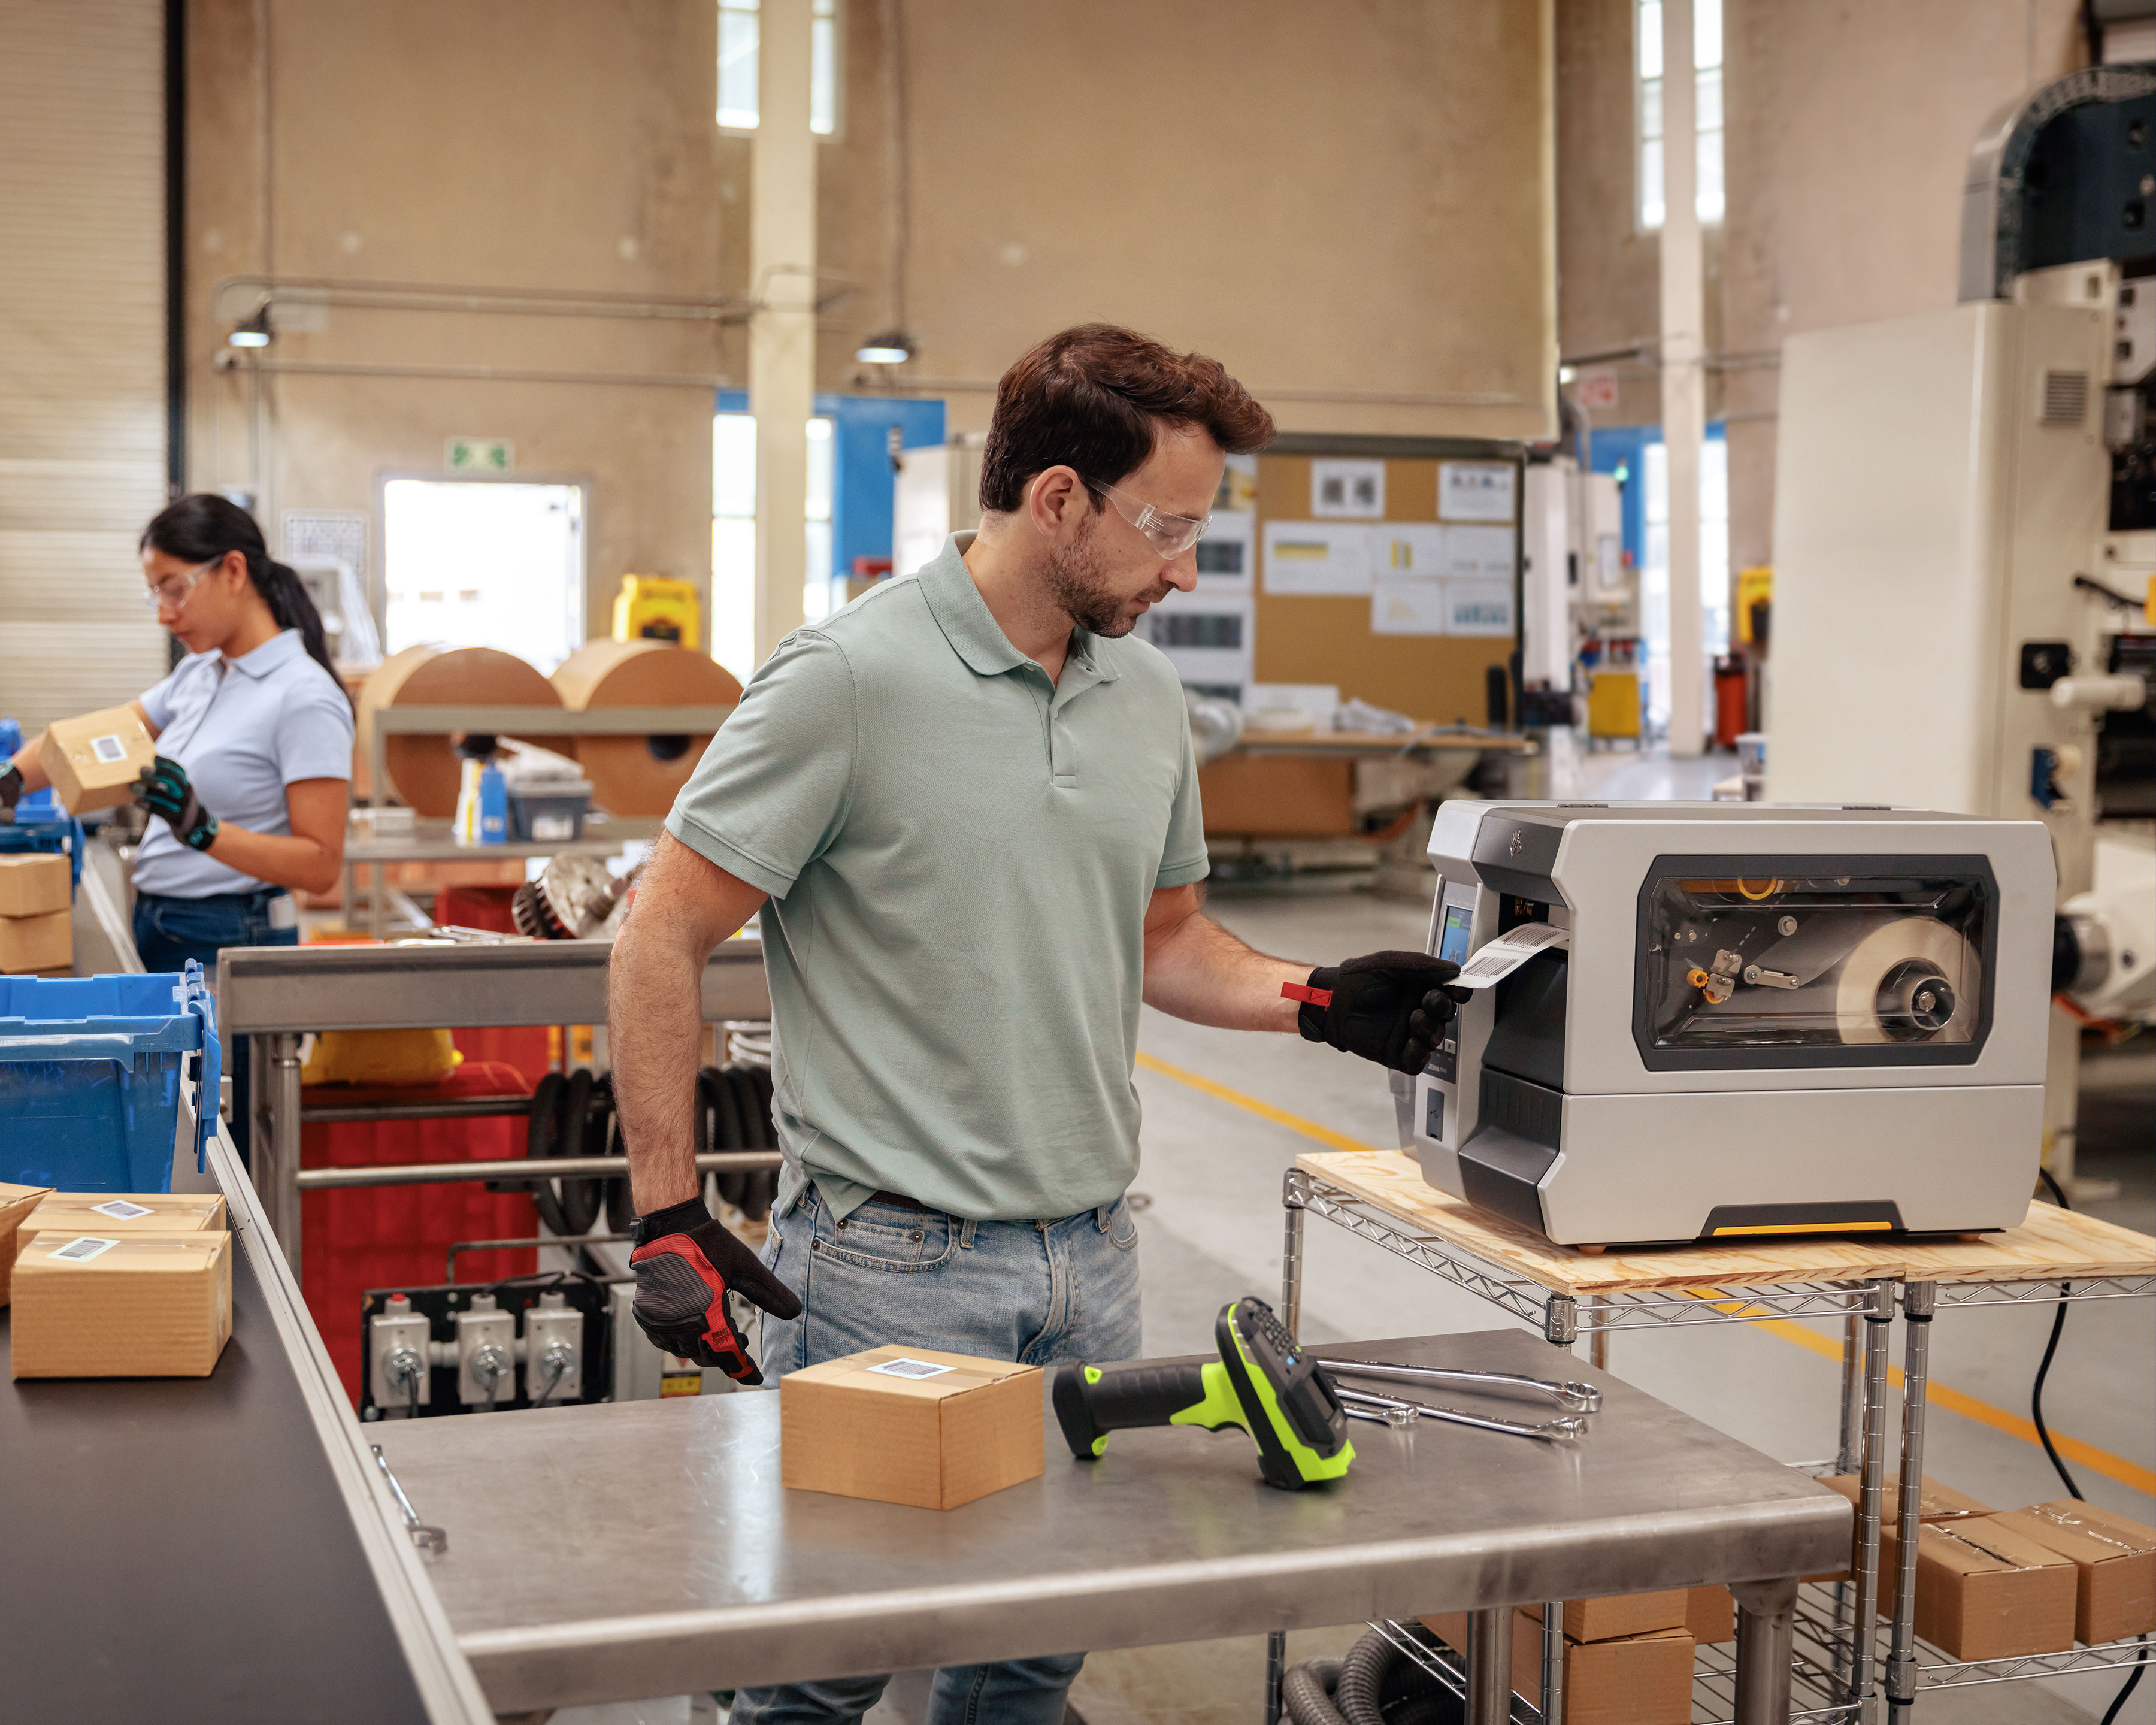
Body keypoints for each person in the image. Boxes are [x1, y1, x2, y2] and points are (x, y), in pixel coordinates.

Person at [608, 324, 1459, 1725]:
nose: (1184, 568)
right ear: (1059, 498)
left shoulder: (1143, 694)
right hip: (889, 1266)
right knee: (817, 1670)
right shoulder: (848, 678)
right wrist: (665, 1211)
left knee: (1026, 1665)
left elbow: (1165, 938)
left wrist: (1315, 999)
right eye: (1167, 527)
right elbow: (663, 924)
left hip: (1090, 1258)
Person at [0, 494, 355, 1158]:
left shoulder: (304, 697)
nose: (165, 613)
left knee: (225, 1155)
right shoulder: (199, 675)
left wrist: (202, 829)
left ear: (232, 571)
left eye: (175, 589)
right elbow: (91, 738)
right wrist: (12, 781)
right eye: (153, 595)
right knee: (172, 1139)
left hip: (232, 943)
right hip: (166, 929)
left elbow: (319, 863)